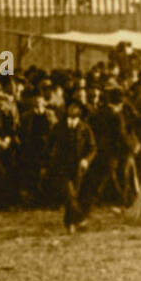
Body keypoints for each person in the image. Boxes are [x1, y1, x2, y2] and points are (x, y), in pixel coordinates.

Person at [46, 97, 96, 233]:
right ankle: (80, 218)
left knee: (75, 195)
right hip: (61, 166)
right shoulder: (59, 126)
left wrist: (86, 160)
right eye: (71, 107)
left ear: (80, 111)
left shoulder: (85, 127)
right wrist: (50, 160)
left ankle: (70, 224)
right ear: (67, 109)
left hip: (79, 167)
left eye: (76, 108)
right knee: (70, 194)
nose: (73, 110)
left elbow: (92, 147)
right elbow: (50, 144)